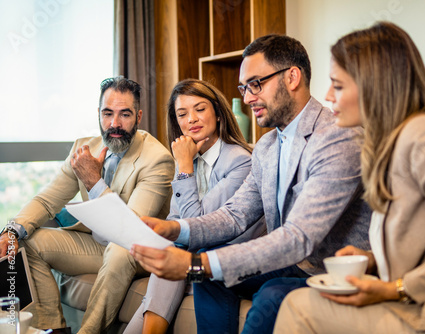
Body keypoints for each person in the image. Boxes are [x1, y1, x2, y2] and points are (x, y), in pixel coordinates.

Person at [130, 34, 371, 334]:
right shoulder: (267, 146)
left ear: (292, 77)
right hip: (295, 261)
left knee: (270, 293)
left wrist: (197, 263)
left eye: (256, 84)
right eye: (244, 88)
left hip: (332, 267)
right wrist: (174, 229)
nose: (246, 98)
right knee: (210, 279)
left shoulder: (337, 137)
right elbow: (235, 215)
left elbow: (299, 237)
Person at [274, 22, 425, 334]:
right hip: (418, 307)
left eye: (337, 86)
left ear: (373, 85)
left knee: (298, 307)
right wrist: (372, 259)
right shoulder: (393, 143)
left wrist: (397, 288)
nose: (327, 96)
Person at [0, 76, 175, 334]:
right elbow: (47, 200)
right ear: (98, 114)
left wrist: (93, 180)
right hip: (95, 244)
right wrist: (11, 230)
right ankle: (52, 330)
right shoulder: (83, 148)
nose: (114, 124)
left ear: (138, 117)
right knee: (25, 242)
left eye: (124, 114)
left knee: (119, 250)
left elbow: (130, 232)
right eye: (108, 113)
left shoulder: (157, 160)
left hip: (137, 251)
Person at [124, 78, 258, 334]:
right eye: (182, 114)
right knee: (166, 250)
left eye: (200, 109)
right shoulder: (190, 159)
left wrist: (184, 168)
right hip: (195, 253)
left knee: (174, 253)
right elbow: (176, 219)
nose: (192, 119)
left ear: (218, 114)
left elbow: (197, 229)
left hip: (227, 253)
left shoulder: (240, 162)